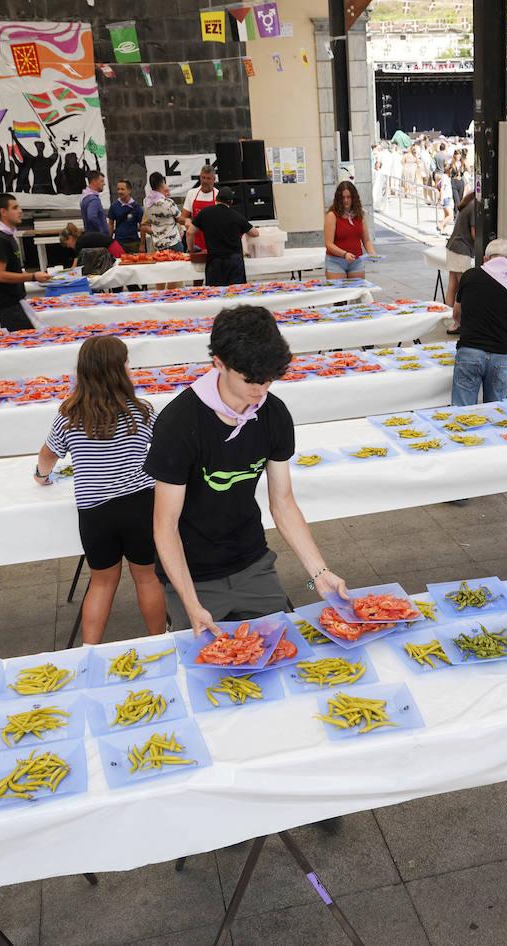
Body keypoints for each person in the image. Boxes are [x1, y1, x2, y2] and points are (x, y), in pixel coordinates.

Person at [147, 306, 349, 633]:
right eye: (250, 380)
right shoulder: (179, 424)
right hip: (193, 574)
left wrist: (318, 574)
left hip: (253, 564)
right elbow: (165, 526)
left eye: (269, 379)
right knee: (206, 669)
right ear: (219, 364)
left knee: (281, 653)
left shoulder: (274, 414)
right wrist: (190, 602)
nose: (261, 390)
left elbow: (282, 502)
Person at [35, 336, 166, 645]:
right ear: (119, 370)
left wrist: (42, 475)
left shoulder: (70, 414)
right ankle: (159, 641)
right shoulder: (141, 411)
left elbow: (47, 455)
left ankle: (89, 650)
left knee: (102, 582)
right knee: (147, 577)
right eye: (127, 362)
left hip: (95, 511)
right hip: (140, 505)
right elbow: (167, 446)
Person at [450, 238, 507, 405]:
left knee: (461, 414)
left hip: (469, 351)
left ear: (485, 259)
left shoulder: (470, 276)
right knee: (497, 415)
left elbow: (456, 313)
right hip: (501, 355)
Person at [0, 193, 51, 332]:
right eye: (15, 207)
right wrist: (32, 276)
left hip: (13, 301)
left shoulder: (7, 235)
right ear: (3, 212)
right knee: (28, 341)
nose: (20, 211)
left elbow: (11, 269)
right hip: (6, 303)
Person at [190, 187, 257, 287]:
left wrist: (191, 249)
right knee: (237, 294)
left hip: (215, 262)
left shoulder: (205, 213)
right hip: (234, 262)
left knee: (216, 295)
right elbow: (255, 233)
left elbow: (190, 232)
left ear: (216, 199)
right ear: (231, 202)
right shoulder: (236, 216)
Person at [323, 180, 377, 280]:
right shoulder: (332, 216)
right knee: (340, 293)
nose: (346, 200)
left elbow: (366, 240)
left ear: (354, 198)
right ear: (338, 199)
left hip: (356, 261)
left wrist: (371, 252)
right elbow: (329, 244)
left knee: (357, 292)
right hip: (336, 261)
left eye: (349, 197)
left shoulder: (359, 215)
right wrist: (344, 254)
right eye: (343, 197)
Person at [444, 192, 477, 329]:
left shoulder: (468, 203)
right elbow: (475, 234)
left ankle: (448, 319)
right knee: (465, 288)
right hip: (461, 249)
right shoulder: (475, 206)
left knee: (453, 286)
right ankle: (458, 322)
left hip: (453, 246)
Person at [141, 172, 187, 252]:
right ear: (162, 183)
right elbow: (181, 219)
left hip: (158, 244)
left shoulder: (146, 202)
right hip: (173, 243)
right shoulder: (167, 203)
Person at [183, 164, 220, 253]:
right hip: (195, 242)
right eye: (203, 178)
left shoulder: (219, 195)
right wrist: (186, 221)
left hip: (214, 242)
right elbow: (182, 217)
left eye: (208, 178)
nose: (205, 181)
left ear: (214, 179)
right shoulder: (192, 193)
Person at [107, 179, 143, 253]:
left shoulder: (137, 207)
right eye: (118, 189)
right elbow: (110, 224)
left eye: (122, 189)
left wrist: (142, 244)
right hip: (118, 243)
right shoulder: (114, 206)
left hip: (133, 243)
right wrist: (109, 242)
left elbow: (142, 225)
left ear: (129, 190)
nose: (120, 192)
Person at [80, 170, 109, 237]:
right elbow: (91, 217)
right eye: (101, 181)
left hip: (91, 237)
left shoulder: (85, 198)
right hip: (98, 239)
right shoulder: (93, 200)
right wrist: (100, 232)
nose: (104, 183)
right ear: (94, 181)